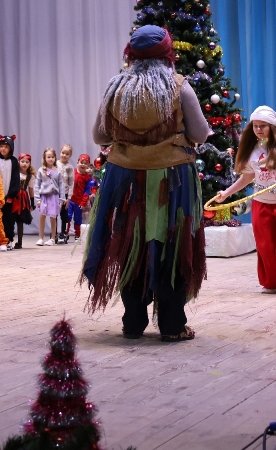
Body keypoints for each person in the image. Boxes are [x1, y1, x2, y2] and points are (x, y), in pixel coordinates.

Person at [83, 25, 211, 342]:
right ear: (167, 54)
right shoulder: (179, 87)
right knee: (173, 245)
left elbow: (99, 136)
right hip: (173, 179)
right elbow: (200, 133)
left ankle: (133, 321)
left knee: (131, 244)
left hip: (126, 179)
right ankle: (172, 325)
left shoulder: (116, 87)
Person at [216, 106, 276, 294]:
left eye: (263, 126)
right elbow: (247, 177)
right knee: (264, 245)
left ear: (273, 127)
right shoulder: (252, 148)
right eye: (255, 126)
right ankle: (270, 282)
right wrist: (226, 194)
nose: (258, 130)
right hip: (262, 202)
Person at [0, 134, 20, 250]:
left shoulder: (14, 161)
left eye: (6, 147)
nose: (3, 149)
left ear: (11, 148)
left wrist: (11, 195)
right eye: (1, 146)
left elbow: (15, 180)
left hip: (8, 197)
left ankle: (8, 239)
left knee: (8, 219)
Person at [35, 148, 62, 246]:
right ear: (45, 158)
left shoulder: (58, 171)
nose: (51, 159)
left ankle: (53, 238)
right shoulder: (41, 170)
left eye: (52, 157)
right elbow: (37, 185)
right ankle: (40, 238)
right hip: (44, 197)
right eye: (48, 157)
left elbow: (61, 185)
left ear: (55, 158)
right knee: (42, 216)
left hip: (54, 197)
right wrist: (37, 198)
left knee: (53, 217)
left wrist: (61, 199)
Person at [67, 154, 97, 241]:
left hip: (79, 202)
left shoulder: (87, 178)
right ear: (77, 162)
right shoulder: (73, 172)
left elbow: (87, 191)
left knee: (78, 219)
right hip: (70, 200)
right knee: (68, 216)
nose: (83, 165)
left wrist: (83, 203)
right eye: (81, 162)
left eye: (85, 163)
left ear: (88, 165)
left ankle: (77, 235)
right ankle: (66, 233)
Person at [13, 153, 36, 249]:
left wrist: (32, 203)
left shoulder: (30, 176)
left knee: (20, 220)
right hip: (14, 196)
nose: (24, 164)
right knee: (10, 219)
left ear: (30, 164)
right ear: (18, 162)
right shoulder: (15, 173)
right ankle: (8, 240)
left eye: (27, 162)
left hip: (23, 199)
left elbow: (31, 190)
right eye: (22, 161)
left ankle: (19, 242)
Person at [57, 144, 75, 243]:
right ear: (60, 152)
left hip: (65, 193)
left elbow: (71, 183)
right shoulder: (55, 164)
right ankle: (53, 233)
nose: (64, 155)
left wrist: (69, 197)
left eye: (67, 154)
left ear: (70, 156)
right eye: (63, 153)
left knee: (64, 214)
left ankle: (63, 233)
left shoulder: (70, 167)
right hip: (55, 193)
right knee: (54, 213)